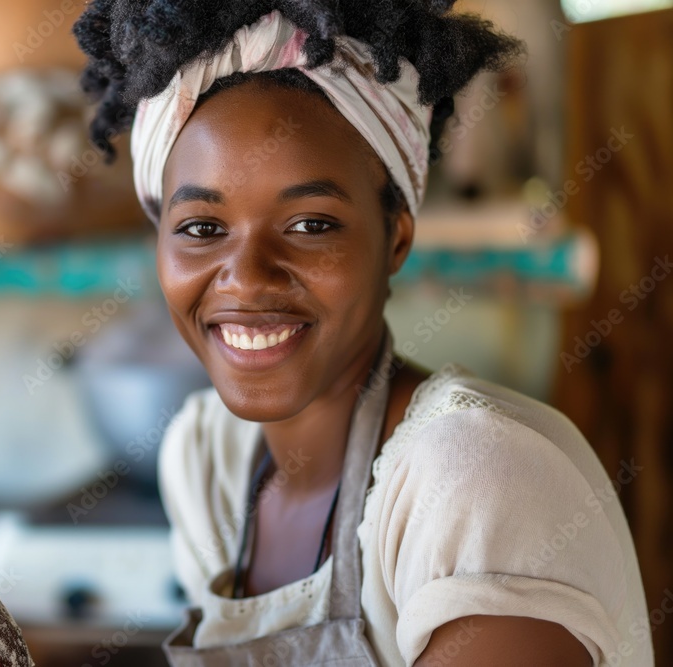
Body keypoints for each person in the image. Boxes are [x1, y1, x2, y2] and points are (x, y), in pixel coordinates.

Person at [73, 2, 654, 665]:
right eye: (202, 228)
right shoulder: (208, 458)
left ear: (395, 237)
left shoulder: (476, 481)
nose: (248, 278)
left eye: (310, 223)